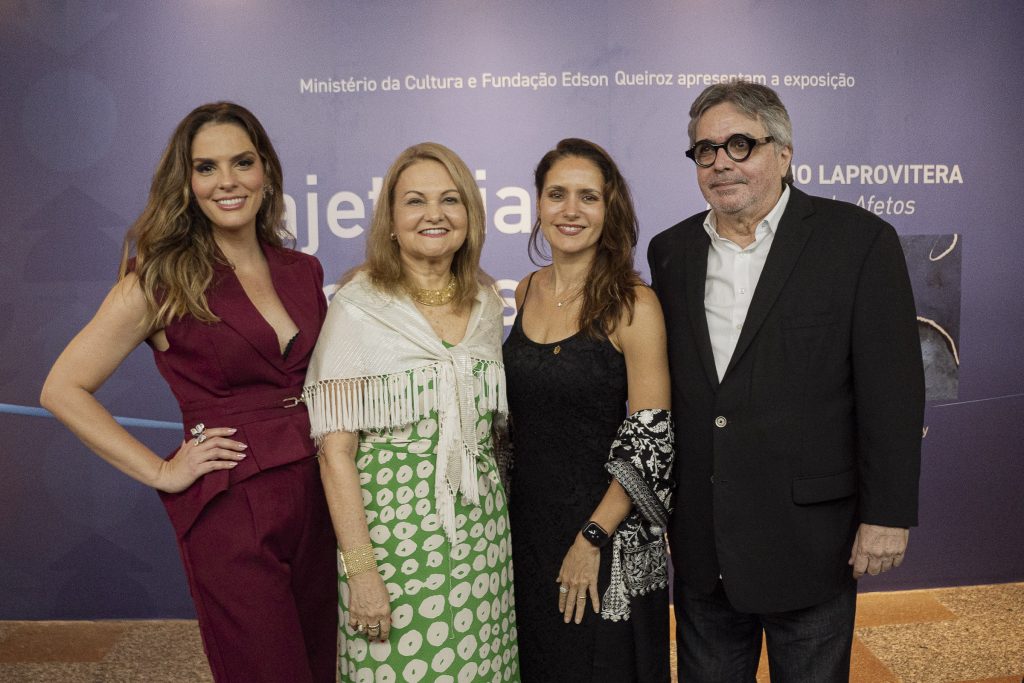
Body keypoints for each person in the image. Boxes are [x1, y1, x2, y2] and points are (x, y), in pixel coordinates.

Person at [40, 102, 337, 681]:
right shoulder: (160, 279)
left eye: (242, 162)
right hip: (231, 506)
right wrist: (160, 470)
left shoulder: (302, 270)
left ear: (265, 170)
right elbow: (62, 388)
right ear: (187, 182)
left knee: (325, 665)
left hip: (317, 492)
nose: (227, 181)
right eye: (206, 167)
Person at [648, 82, 925, 681]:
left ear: (783, 152)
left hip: (812, 542)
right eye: (705, 150)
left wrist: (888, 514)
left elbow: (894, 392)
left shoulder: (858, 241)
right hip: (705, 546)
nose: (720, 162)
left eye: (739, 144)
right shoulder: (670, 252)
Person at [302, 142, 520, 682]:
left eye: (450, 199)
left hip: (482, 538)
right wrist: (362, 573)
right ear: (392, 221)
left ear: (470, 215)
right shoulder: (359, 306)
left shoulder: (486, 303)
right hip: (391, 544)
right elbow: (335, 455)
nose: (434, 214)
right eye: (415, 201)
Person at [503, 138, 674, 682]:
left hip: (605, 534)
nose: (570, 210)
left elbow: (651, 439)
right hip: (528, 529)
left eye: (588, 197)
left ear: (609, 208)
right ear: (538, 203)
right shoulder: (526, 290)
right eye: (557, 194)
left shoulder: (633, 304)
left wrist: (592, 537)